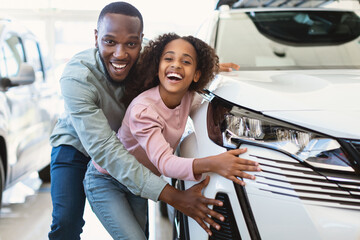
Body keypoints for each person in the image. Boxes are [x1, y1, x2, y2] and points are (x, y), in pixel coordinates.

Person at [48, 2, 241, 239]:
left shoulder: (149, 56)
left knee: (140, 233)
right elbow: (105, 150)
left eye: (131, 43)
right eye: (109, 42)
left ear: (141, 40)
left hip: (127, 145)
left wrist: (208, 69)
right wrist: (174, 196)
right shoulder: (77, 77)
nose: (120, 53)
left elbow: (177, 64)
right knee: (66, 222)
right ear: (96, 37)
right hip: (78, 145)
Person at [84, 32, 260, 240]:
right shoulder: (143, 110)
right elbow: (166, 164)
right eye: (168, 59)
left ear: (196, 75)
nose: (176, 65)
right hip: (106, 180)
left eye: (186, 62)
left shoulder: (188, 98)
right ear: (157, 68)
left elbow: (210, 108)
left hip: (140, 182)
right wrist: (214, 163)